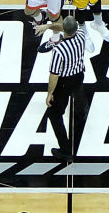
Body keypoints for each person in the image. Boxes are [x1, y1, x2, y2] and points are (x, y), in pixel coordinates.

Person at [34, 15, 88, 162]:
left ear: (64, 29)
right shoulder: (82, 36)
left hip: (64, 82)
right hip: (78, 76)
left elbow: (54, 75)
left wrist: (50, 93)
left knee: (54, 114)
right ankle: (82, 108)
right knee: (78, 97)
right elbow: (65, 28)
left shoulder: (59, 50)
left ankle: (65, 150)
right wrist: (47, 27)